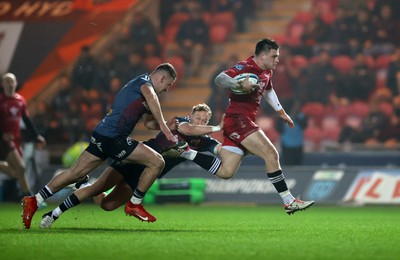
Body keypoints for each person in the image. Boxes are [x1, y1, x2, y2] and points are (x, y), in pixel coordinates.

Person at [21, 63, 178, 229]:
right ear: (161, 78)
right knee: (157, 162)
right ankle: (135, 203)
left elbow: (147, 123)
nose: (167, 89)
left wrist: (166, 124)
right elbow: (151, 96)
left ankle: (34, 200)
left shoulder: (144, 92)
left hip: (102, 134)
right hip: (115, 137)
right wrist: (164, 127)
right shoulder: (144, 83)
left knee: (75, 173)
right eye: (168, 85)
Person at [178, 38, 314, 214]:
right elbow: (220, 79)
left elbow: (269, 91)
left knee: (226, 172)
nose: (277, 60)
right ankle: (289, 201)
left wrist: (282, 113)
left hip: (240, 121)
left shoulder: (267, 72)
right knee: (271, 154)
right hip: (238, 120)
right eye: (274, 56)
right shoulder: (245, 67)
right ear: (263, 55)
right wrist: (238, 84)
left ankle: (187, 152)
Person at [39, 103, 223, 228]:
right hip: (135, 159)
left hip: (144, 177)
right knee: (97, 188)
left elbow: (219, 150)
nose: (200, 122)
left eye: (204, 120)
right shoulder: (180, 122)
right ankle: (53, 215)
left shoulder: (203, 141)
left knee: (107, 205)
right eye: (198, 118)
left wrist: (240, 146)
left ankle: (81, 184)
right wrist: (217, 128)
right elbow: (188, 130)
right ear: (191, 116)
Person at [0, 73, 46, 199]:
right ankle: (28, 197)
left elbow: (26, 120)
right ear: (2, 85)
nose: (10, 84)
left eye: (12, 81)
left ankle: (27, 196)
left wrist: (37, 136)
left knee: (17, 172)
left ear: (15, 84)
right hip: (3, 141)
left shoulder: (20, 100)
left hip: (15, 140)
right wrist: (3, 134)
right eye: (7, 81)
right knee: (21, 167)